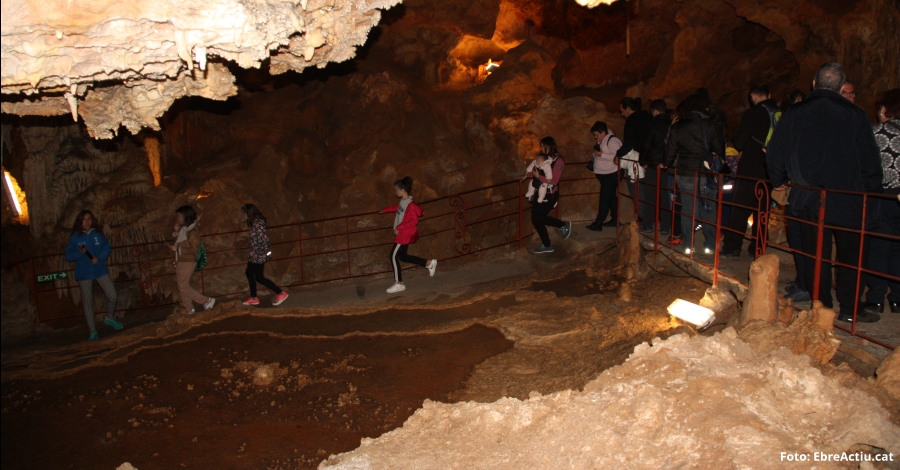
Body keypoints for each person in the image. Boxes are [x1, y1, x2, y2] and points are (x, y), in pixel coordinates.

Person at [767, 62, 883, 323]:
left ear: (814, 84)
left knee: (816, 255)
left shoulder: (794, 113)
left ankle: (822, 310)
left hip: (809, 196)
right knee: (851, 255)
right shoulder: (855, 115)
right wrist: (872, 192)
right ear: (841, 87)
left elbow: (776, 151)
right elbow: (870, 160)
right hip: (848, 197)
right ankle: (851, 309)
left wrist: (778, 179)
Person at [722, 85, 778, 260]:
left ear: (753, 96)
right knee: (762, 211)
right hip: (770, 170)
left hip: (750, 168)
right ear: (769, 94)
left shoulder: (752, 114)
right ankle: (758, 247)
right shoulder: (780, 114)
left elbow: (739, 142)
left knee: (740, 209)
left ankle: (732, 248)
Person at [664, 94, 724, 255]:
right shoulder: (709, 125)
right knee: (709, 209)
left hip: (685, 173)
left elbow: (670, 153)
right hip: (706, 173)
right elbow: (719, 149)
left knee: (688, 209)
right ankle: (711, 245)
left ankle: (688, 245)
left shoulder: (678, 127)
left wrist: (666, 164)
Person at [862, 89, 900, 314]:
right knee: (898, 248)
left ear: (884, 110)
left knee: (878, 247)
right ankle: (897, 298)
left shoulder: (876, 132)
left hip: (882, 196)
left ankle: (875, 298)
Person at [65, 210, 123, 341]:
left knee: (113, 296)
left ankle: (109, 317)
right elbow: (68, 255)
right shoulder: (75, 237)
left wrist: (99, 258)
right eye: (84, 219)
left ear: (92, 220)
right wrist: (80, 252)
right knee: (88, 302)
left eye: (89, 219)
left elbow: (106, 247)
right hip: (84, 273)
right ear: (80, 221)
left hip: (99, 269)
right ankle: (92, 330)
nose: (87, 222)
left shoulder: (98, 234)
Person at [381, 177, 437, 293]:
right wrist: (385, 210)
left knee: (393, 256)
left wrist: (398, 227)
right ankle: (428, 263)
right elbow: (398, 208)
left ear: (403, 190)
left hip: (404, 234)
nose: (395, 192)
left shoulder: (410, 205)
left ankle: (399, 283)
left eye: (396, 190)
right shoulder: (403, 201)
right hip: (403, 233)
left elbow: (413, 221)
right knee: (403, 257)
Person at [241, 204, 289, 306]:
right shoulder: (256, 223)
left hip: (258, 255)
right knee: (257, 276)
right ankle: (277, 293)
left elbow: (265, 241)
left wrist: (256, 252)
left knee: (252, 274)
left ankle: (257, 297)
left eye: (244, 214)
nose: (242, 216)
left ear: (248, 213)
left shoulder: (258, 225)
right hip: (256, 254)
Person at [171, 205, 216, 314]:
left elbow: (194, 249)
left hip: (188, 261)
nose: (178, 218)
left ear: (186, 216)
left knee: (183, 286)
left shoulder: (193, 232)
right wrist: (176, 232)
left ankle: (206, 300)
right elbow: (182, 241)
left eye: (180, 216)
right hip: (181, 260)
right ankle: (189, 309)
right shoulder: (184, 229)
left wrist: (178, 248)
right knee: (182, 285)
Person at [530, 137, 572, 252]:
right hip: (540, 192)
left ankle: (562, 225)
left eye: (543, 146)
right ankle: (547, 245)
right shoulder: (544, 157)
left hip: (550, 194)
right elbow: (536, 169)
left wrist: (538, 177)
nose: (541, 148)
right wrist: (527, 175)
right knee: (535, 219)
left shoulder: (558, 160)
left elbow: (554, 180)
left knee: (539, 218)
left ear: (549, 146)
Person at [639, 99, 674, 236]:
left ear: (655, 111)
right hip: (667, 165)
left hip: (653, 164)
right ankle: (665, 226)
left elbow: (647, 144)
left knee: (650, 196)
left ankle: (648, 224)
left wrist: (642, 161)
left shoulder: (653, 124)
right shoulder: (672, 123)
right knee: (665, 196)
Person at [616, 97, 653, 222]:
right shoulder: (648, 117)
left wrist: (618, 154)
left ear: (628, 108)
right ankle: (651, 218)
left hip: (637, 160)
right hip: (650, 159)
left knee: (636, 190)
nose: (622, 114)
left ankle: (642, 219)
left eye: (622, 111)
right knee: (648, 191)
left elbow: (629, 143)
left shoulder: (632, 120)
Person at [587, 122, 623, 232]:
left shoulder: (613, 141)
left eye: (596, 134)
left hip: (611, 174)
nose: (595, 137)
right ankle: (615, 220)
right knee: (610, 197)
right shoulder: (602, 140)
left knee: (604, 198)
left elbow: (617, 156)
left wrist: (601, 155)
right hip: (605, 174)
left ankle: (599, 223)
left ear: (603, 132)